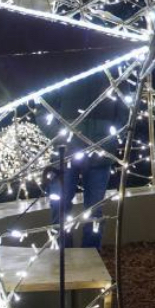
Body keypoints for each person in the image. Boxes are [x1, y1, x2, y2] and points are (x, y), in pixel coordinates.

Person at [44, 73, 126, 249]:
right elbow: (44, 106)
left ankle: (91, 254)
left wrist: (113, 137)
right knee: (60, 204)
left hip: (100, 150)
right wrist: (57, 137)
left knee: (94, 209)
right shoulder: (63, 68)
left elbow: (125, 105)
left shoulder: (113, 71)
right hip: (65, 152)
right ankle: (61, 252)